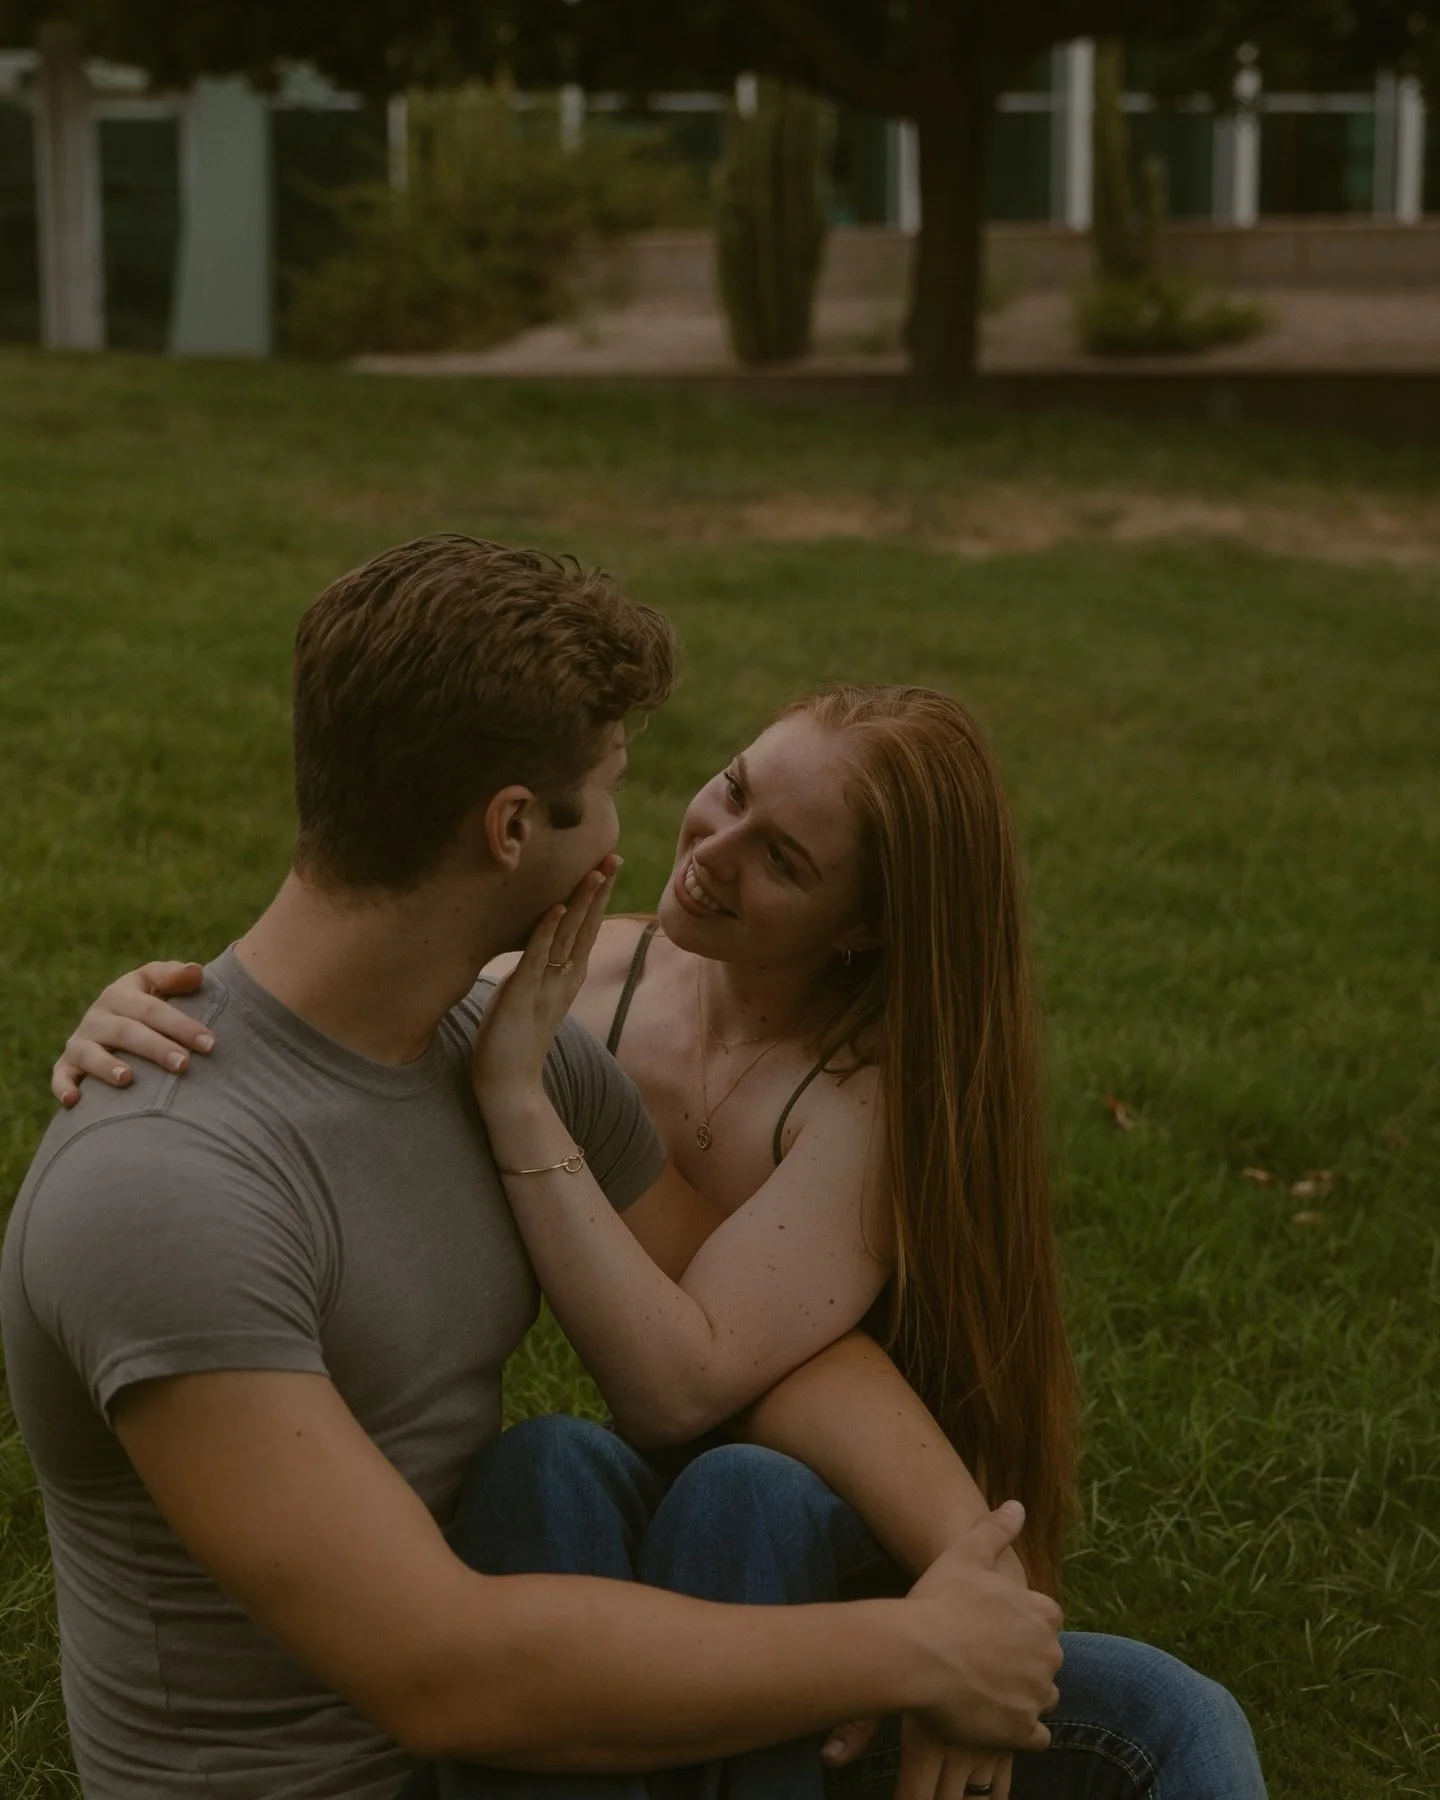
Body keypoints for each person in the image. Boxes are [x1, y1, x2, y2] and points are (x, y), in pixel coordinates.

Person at [51, 617, 1269, 1797]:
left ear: (866, 929)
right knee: (555, 1460)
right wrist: (171, 1026)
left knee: (1152, 1707)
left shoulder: (805, 1082)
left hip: (800, 1529)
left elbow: (735, 1369)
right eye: (722, 790)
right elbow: (326, 984)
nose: (703, 850)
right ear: (515, 825)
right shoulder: (516, 1025)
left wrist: (974, 1581)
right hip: (519, 1638)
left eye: (784, 859)